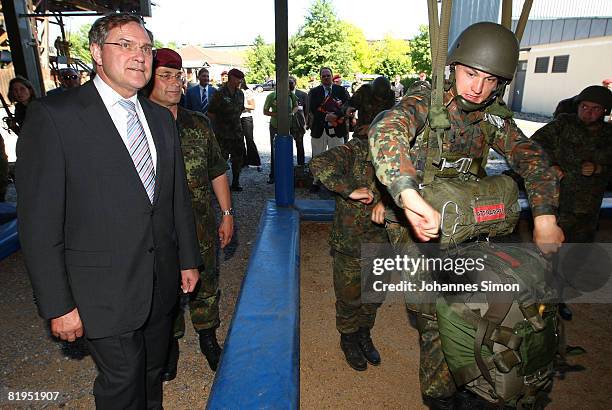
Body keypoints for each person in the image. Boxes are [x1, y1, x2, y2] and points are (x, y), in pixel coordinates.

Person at [369, 22, 564, 408]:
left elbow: (532, 159)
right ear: (453, 67)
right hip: (418, 226)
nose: (477, 87)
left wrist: (544, 216)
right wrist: (407, 195)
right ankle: (441, 397)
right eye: (470, 73)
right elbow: (386, 129)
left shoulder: (492, 116)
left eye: (489, 79)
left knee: (487, 305)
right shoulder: (427, 102)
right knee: (434, 317)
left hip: (470, 221)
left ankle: (479, 378)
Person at [16, 13, 201, 409]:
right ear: (97, 52)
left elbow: (175, 198)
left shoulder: (159, 118)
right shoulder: (56, 117)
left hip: (160, 280)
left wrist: (187, 258)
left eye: (146, 48)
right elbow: (38, 224)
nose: (139, 56)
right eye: (126, 45)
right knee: (123, 381)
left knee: (152, 371)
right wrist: (58, 305)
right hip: (100, 289)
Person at [145, 48, 234, 378]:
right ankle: (169, 346)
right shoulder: (137, 124)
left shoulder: (197, 123)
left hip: (199, 225)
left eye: (177, 76)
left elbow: (216, 170)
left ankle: (209, 338)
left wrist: (227, 213)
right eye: (165, 76)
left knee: (206, 282)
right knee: (162, 288)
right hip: (157, 231)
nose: (174, 82)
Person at [532, 85, 612, 243]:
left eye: (595, 108)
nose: (588, 113)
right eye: (584, 106)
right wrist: (550, 165)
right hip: (557, 202)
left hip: (588, 210)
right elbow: (532, 146)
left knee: (579, 252)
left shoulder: (609, 135)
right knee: (548, 249)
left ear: (605, 111)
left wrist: (599, 168)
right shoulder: (563, 124)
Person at [308, 67, 350, 191]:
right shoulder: (314, 92)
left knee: (337, 156)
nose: (326, 78)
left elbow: (347, 106)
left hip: (337, 128)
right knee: (317, 156)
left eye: (328, 75)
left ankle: (335, 184)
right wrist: (327, 116)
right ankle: (316, 181)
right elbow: (313, 109)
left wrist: (335, 116)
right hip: (319, 128)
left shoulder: (341, 90)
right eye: (323, 76)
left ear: (332, 76)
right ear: (320, 78)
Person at [208, 68, 246, 191]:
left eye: (241, 79)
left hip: (237, 133)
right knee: (220, 161)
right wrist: (216, 130)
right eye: (238, 78)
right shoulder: (220, 93)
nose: (240, 81)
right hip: (223, 134)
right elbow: (211, 113)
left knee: (237, 159)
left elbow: (240, 110)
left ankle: (235, 182)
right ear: (231, 78)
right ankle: (218, 186)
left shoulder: (240, 94)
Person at [263, 80, 299, 184]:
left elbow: (296, 106)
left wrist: (291, 113)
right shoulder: (272, 96)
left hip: (289, 126)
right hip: (275, 126)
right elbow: (265, 111)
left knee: (288, 150)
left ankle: (287, 175)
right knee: (275, 151)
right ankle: (273, 175)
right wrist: (278, 114)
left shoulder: (290, 95)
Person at [241, 79, 262, 170]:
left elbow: (253, 106)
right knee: (239, 140)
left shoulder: (247, 91)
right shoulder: (234, 91)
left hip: (246, 117)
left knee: (249, 139)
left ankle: (255, 161)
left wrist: (242, 106)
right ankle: (242, 161)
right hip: (236, 118)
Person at [290, 76, 309, 166]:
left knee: (300, 145)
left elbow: (307, 111)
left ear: (295, 83)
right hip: (286, 124)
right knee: (287, 145)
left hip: (299, 125)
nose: (290, 84)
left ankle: (301, 164)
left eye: (291, 82)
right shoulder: (282, 94)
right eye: (288, 83)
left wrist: (306, 123)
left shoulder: (303, 95)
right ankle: (288, 164)